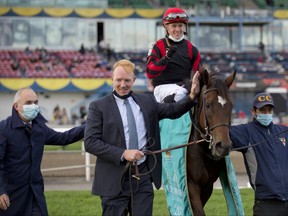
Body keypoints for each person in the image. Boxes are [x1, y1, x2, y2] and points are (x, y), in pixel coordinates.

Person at [84, 59, 200, 216]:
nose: (123, 84)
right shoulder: (98, 107)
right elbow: (91, 143)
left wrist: (192, 96)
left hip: (142, 178)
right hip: (112, 181)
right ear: (112, 78)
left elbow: (173, 110)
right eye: (118, 80)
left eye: (127, 80)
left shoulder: (147, 101)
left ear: (134, 80)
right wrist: (123, 153)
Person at [0, 87, 85, 216]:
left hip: (35, 194)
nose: (33, 106)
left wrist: (89, 126)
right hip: (10, 196)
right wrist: (1, 190)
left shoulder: (40, 128)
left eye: (36, 102)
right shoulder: (4, 129)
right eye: (29, 103)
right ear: (16, 106)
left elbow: (64, 138)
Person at [230, 92, 288, 216]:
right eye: (262, 110)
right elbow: (221, 132)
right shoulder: (245, 132)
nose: (266, 113)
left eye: (269, 110)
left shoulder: (283, 131)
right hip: (266, 204)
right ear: (253, 111)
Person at [146, 7, 202, 103]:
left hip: (184, 87)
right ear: (167, 27)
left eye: (180, 26)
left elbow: (199, 71)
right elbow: (150, 72)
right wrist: (166, 59)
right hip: (162, 89)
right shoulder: (158, 45)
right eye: (174, 26)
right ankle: (164, 111)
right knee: (183, 93)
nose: (178, 29)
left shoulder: (191, 48)